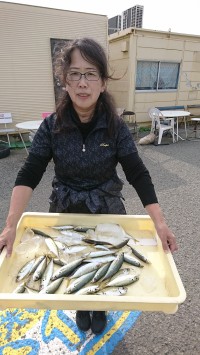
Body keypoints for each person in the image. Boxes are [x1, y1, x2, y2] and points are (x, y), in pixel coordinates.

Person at [0, 37, 178, 335]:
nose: (83, 83)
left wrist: (159, 222)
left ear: (103, 82)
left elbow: (138, 173)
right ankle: (83, 304)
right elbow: (30, 172)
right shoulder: (51, 126)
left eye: (91, 73)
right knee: (71, 262)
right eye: (75, 74)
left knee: (107, 263)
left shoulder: (116, 126)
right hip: (67, 209)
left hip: (108, 208)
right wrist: (10, 225)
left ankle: (101, 304)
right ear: (64, 81)